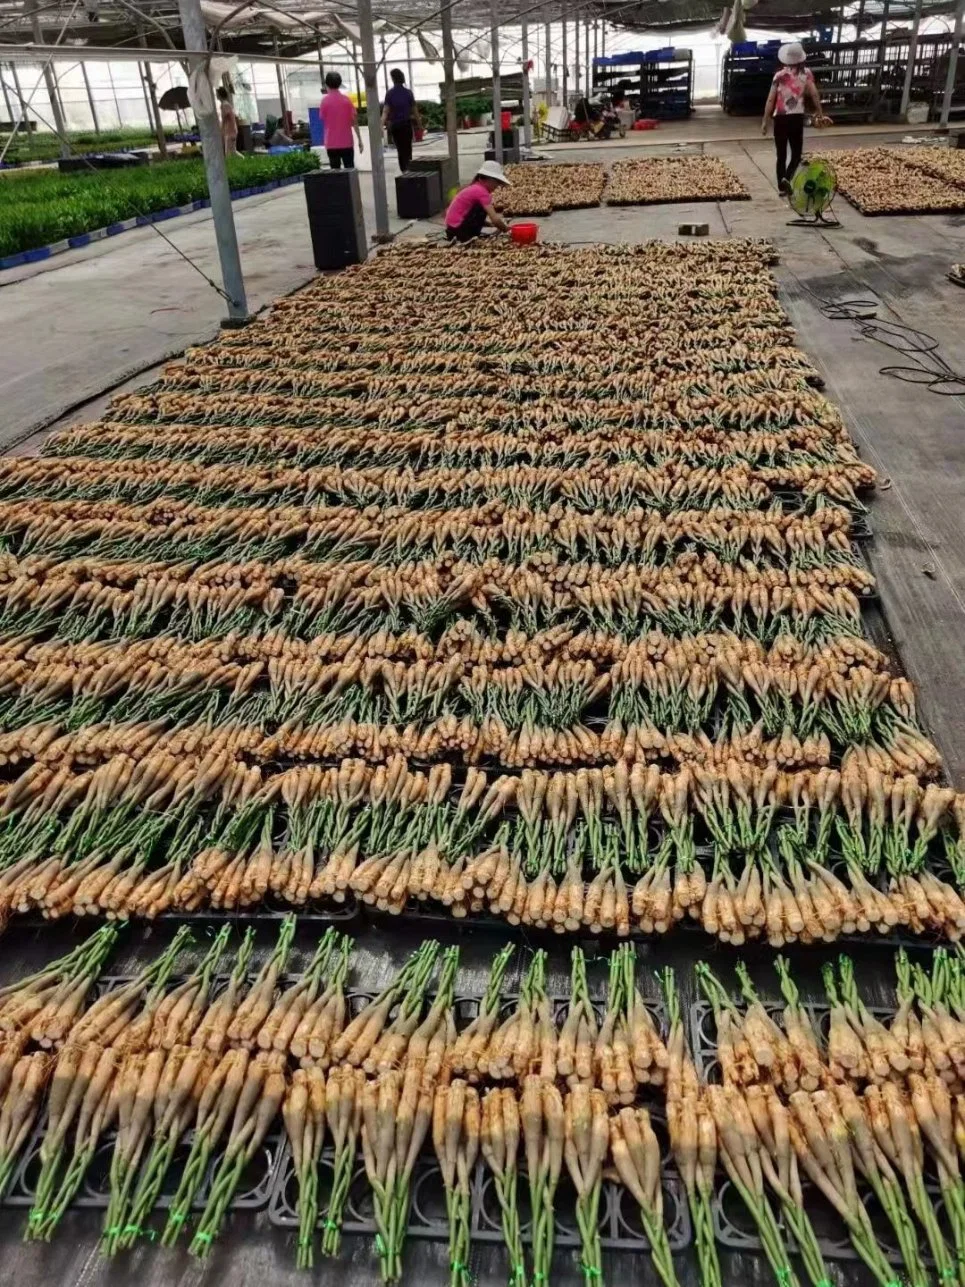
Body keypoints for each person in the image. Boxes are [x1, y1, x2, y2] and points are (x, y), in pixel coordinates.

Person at [762, 42, 829, 195]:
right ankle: (787, 178)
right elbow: (814, 94)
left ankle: (782, 186)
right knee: (796, 154)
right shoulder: (806, 74)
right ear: (801, 58)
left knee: (781, 155)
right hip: (796, 118)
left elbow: (770, 100)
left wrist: (765, 121)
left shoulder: (779, 76)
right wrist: (820, 112)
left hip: (780, 118)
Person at [444, 159, 512, 243]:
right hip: (459, 231)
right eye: (497, 182)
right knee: (482, 208)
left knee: (480, 207)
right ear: (488, 179)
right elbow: (495, 219)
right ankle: (469, 237)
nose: (497, 186)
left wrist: (489, 224)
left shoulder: (475, 187)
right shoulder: (482, 192)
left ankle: (470, 235)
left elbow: (467, 214)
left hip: (452, 230)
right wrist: (507, 230)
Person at [320, 71, 363, 170]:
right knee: (350, 171)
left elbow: (322, 118)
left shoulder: (324, 101)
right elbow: (354, 122)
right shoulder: (347, 101)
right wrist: (360, 140)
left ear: (327, 84)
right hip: (346, 142)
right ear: (340, 84)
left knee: (335, 173)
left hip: (331, 143)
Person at [381, 68, 421, 172]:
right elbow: (415, 111)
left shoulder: (389, 93)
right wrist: (420, 125)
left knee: (400, 149)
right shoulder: (408, 93)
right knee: (408, 148)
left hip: (395, 126)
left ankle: (403, 171)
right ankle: (409, 169)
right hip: (406, 125)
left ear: (393, 79)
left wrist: (380, 126)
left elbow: (385, 111)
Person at [217, 86, 238, 157]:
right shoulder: (226, 104)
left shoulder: (224, 105)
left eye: (217, 94)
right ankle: (245, 159)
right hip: (231, 131)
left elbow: (224, 119)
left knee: (228, 153)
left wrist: (221, 131)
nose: (216, 95)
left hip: (230, 131)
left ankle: (232, 165)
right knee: (233, 151)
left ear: (220, 95)